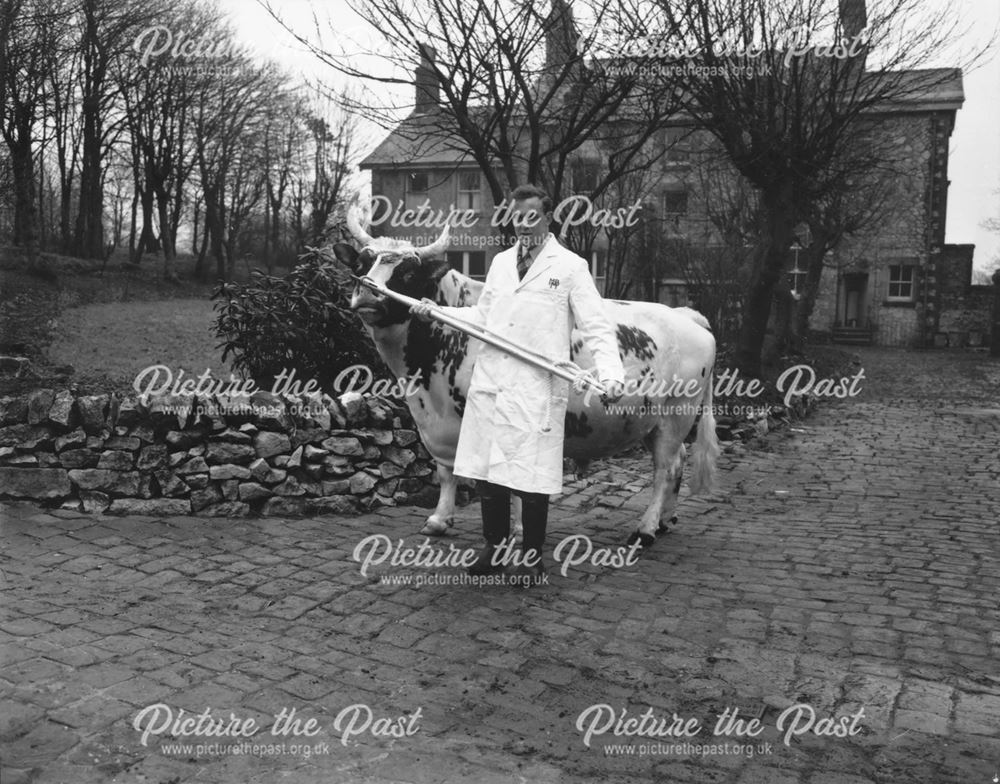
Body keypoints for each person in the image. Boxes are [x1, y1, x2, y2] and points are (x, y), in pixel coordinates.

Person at [411, 183, 625, 584]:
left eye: (532, 217)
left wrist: (611, 376)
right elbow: (484, 316)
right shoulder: (501, 264)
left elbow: (597, 327)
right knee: (489, 471)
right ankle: (495, 548)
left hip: (537, 387)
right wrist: (437, 312)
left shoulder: (570, 267)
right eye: (517, 217)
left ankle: (530, 557)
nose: (524, 225)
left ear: (548, 218)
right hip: (493, 381)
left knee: (531, 475)